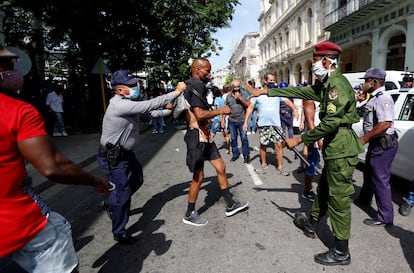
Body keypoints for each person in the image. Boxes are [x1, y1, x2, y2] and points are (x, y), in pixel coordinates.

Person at [244, 41, 364, 266]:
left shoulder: (337, 85)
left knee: (338, 200)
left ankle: (341, 252)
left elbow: (330, 122)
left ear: (328, 61)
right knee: (325, 190)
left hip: (341, 146)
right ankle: (311, 222)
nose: (315, 66)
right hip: (335, 147)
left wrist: (299, 138)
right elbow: (301, 91)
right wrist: (268, 91)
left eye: (317, 61)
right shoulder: (327, 84)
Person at [0, 45, 111, 273]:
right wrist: (94, 180)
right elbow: (53, 167)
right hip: (16, 222)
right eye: (9, 66)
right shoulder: (17, 110)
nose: (15, 72)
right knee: (58, 232)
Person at [97, 70, 186, 244]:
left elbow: (149, 114)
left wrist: (167, 112)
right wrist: (175, 92)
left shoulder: (129, 103)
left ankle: (112, 203)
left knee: (137, 180)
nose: (136, 87)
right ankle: (119, 230)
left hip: (125, 155)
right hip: (113, 157)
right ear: (120, 90)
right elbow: (149, 105)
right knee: (122, 193)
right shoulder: (119, 106)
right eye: (131, 85)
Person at [182, 57, 249, 226]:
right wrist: (222, 111)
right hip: (197, 136)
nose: (210, 73)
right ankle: (189, 213)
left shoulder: (189, 84)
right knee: (199, 176)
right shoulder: (197, 85)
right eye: (207, 70)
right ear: (197, 69)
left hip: (204, 135)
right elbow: (200, 114)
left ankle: (230, 203)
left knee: (221, 167)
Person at [353, 68, 398, 227]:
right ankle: (364, 199)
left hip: (383, 143)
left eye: (366, 80)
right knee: (369, 172)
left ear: (374, 81)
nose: (363, 83)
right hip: (376, 143)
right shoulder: (374, 98)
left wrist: (364, 138)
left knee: (380, 179)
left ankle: (385, 217)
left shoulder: (383, 98)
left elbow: (385, 123)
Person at [254, 73, 298, 176]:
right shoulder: (259, 94)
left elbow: (287, 101)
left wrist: (294, 110)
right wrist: (246, 120)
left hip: (276, 124)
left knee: (278, 145)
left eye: (273, 80)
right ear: (265, 81)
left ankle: (280, 167)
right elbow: (251, 106)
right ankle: (264, 165)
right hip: (263, 124)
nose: (273, 82)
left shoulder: (277, 93)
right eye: (271, 80)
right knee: (263, 145)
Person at [226, 79, 254, 163]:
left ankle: (246, 155)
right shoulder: (228, 96)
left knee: (244, 138)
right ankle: (235, 154)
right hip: (232, 120)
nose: (236, 88)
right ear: (232, 87)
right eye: (235, 87)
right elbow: (227, 108)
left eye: (238, 86)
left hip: (242, 120)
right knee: (233, 138)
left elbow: (248, 105)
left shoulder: (244, 94)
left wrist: (240, 98)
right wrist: (223, 119)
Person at [300, 99, 323, 202]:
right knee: (312, 164)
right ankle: (307, 190)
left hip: (325, 135)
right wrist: (317, 139)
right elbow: (310, 121)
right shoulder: (311, 99)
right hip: (315, 138)